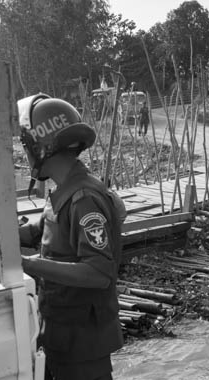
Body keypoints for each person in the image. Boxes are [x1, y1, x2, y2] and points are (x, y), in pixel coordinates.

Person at [17, 94, 124, 380]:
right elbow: (41, 233)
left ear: (41, 146)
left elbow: (98, 272)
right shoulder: (62, 190)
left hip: (84, 342)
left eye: (26, 146)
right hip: (61, 330)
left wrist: (29, 265)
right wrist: (0, 232)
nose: (25, 155)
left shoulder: (83, 198)